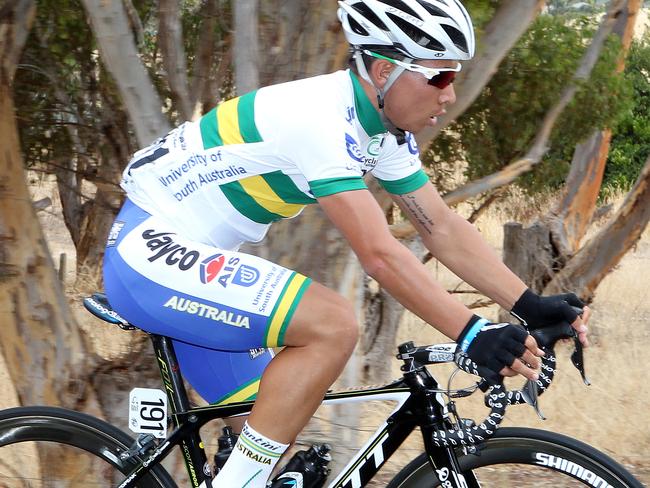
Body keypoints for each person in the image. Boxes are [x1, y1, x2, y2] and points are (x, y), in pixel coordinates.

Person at [103, 0, 590, 486]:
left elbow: (439, 226)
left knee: (279, 450)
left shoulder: (383, 130)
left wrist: (527, 304)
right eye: (439, 77)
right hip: (149, 255)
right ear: (383, 70)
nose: (449, 95)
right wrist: (471, 332)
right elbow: (379, 254)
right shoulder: (318, 118)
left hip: (192, 264)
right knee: (333, 324)